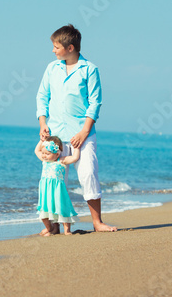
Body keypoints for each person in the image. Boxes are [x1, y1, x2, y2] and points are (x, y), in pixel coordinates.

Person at [36, 24, 117, 232]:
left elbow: (95, 103)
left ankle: (97, 223)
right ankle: (53, 225)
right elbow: (42, 97)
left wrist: (83, 132)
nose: (53, 50)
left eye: (56, 47)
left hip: (82, 134)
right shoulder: (51, 68)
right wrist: (43, 123)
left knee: (88, 174)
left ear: (70, 48)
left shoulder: (89, 69)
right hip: (55, 136)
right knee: (53, 180)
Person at [35, 136, 80, 236]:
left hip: (58, 191)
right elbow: (36, 150)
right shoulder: (44, 161)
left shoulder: (61, 160)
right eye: (43, 153)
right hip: (45, 191)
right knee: (44, 211)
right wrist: (42, 140)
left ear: (57, 154)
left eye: (47, 153)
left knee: (62, 208)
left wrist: (76, 147)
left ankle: (67, 230)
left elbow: (74, 157)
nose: (44, 156)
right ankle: (49, 228)